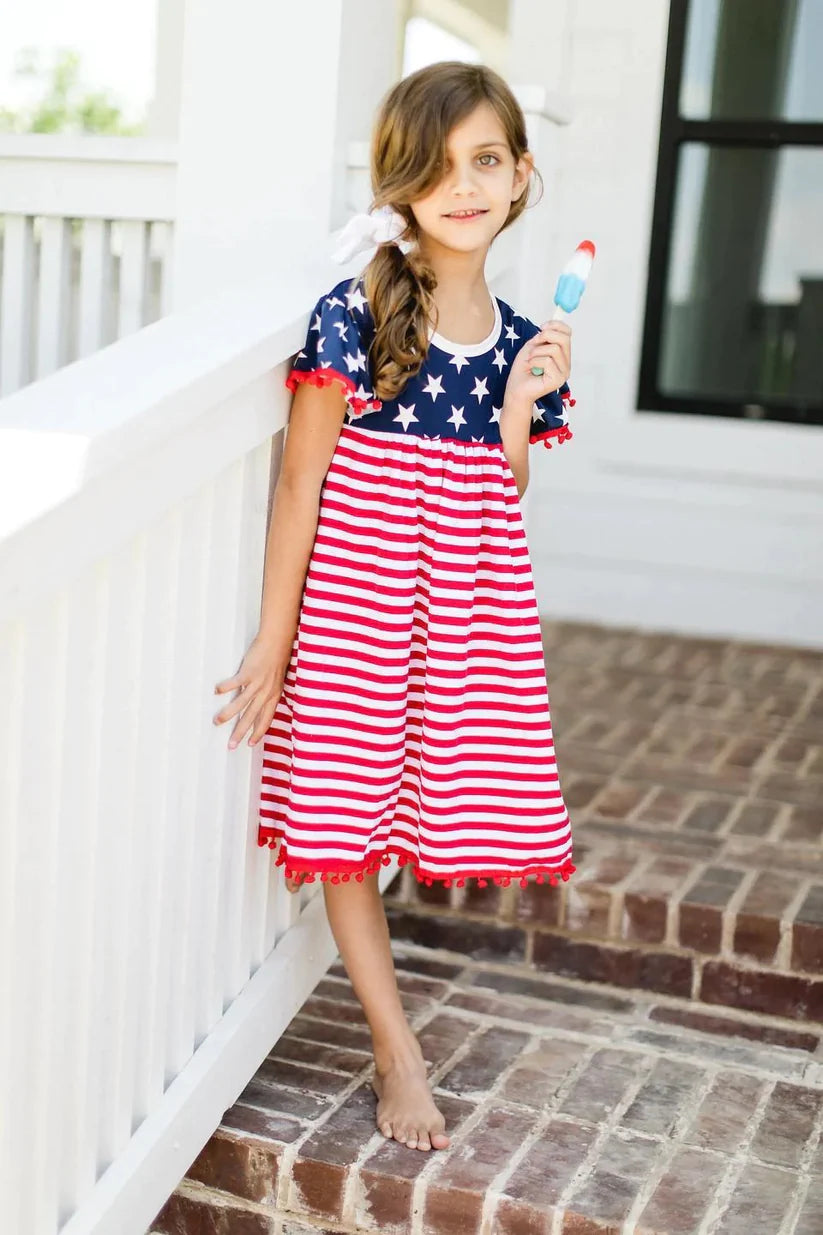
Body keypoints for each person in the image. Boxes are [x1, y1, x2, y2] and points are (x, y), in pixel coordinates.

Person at [213, 61, 577, 1154]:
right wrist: (276, 641)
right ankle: (394, 1044)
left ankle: (391, 1028)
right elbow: (301, 483)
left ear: (521, 175)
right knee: (343, 828)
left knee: (430, 804)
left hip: (461, 618)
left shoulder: (520, 340)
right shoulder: (358, 310)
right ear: (403, 185)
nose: (464, 185)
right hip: (355, 617)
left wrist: (518, 411)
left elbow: (492, 490)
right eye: (439, 166)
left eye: (486, 160)